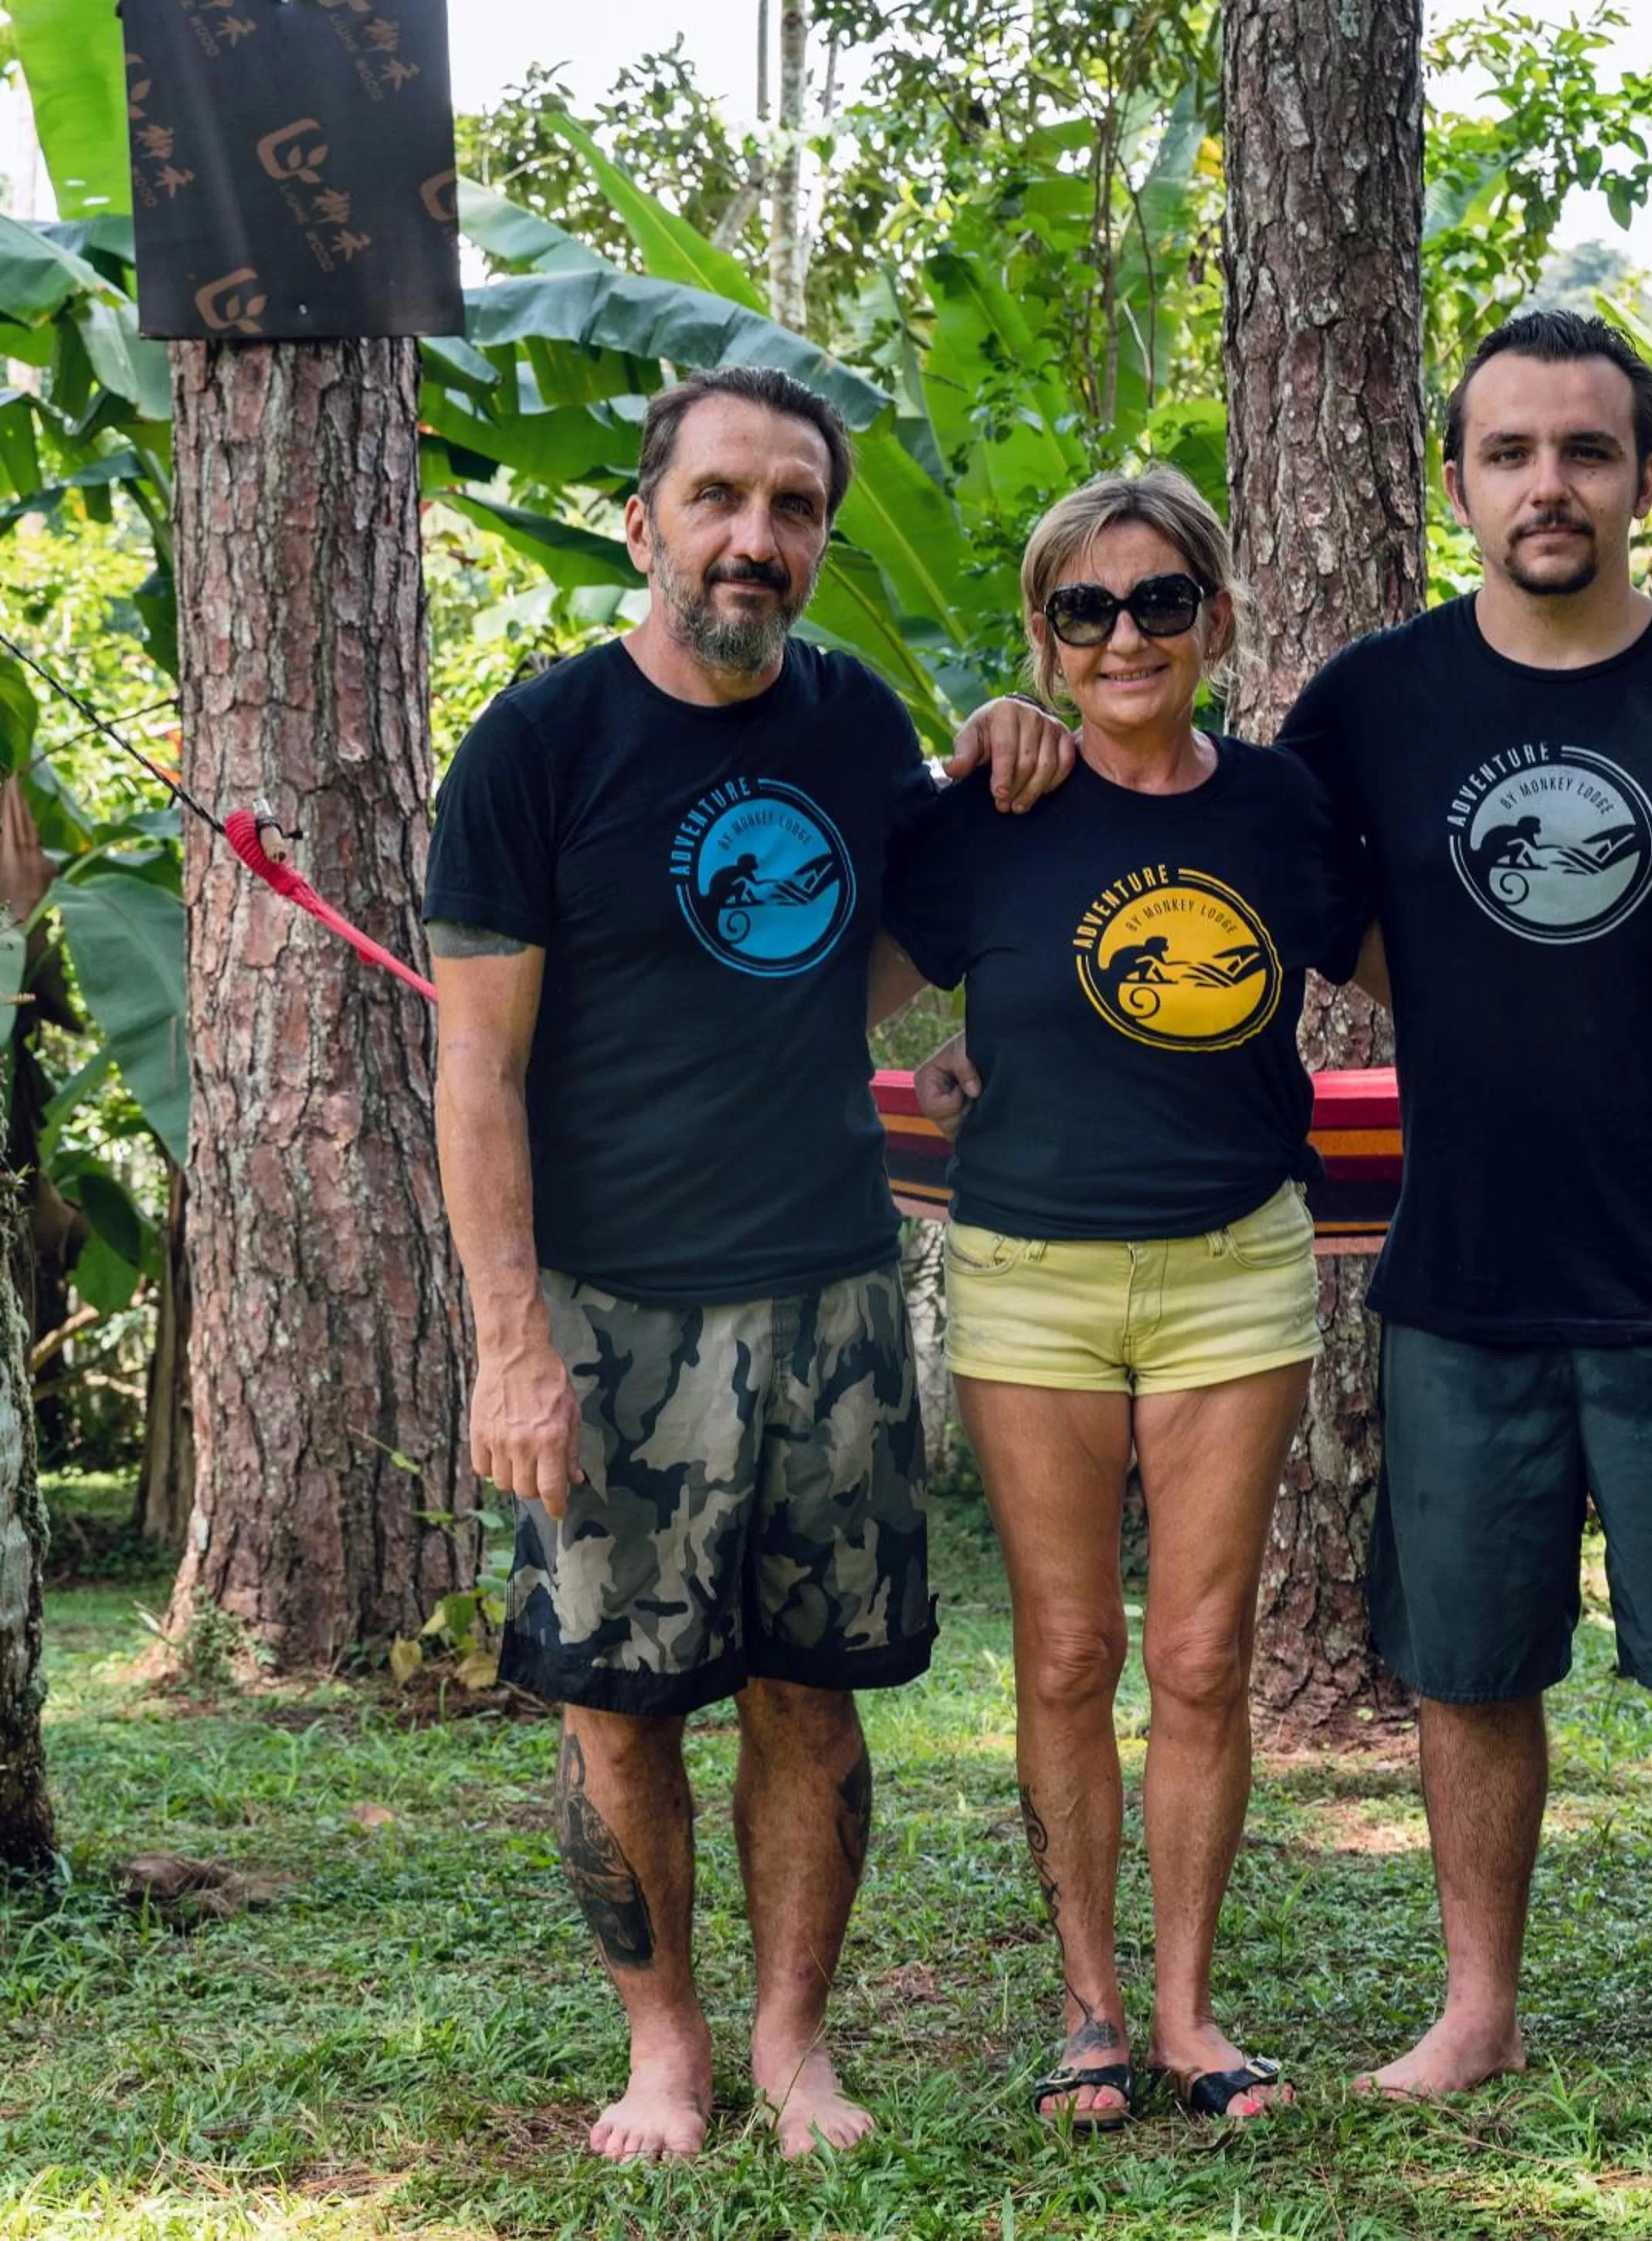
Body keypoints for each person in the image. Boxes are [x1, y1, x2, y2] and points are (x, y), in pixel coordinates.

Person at [951, 312, 1652, 2109]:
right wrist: (1017, 737)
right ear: (1461, 479)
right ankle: (1478, 2007)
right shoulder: (1373, 707)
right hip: (1461, 1276)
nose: (1547, 484)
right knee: (1471, 1667)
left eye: (1585, 450)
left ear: (1643, 472)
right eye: (1508, 452)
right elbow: (1196, 861)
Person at [425, 365, 1074, 2164]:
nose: (754, 537)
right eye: (717, 497)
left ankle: (794, 2044)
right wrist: (508, 1340)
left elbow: (879, 948)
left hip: (834, 1293)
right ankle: (666, 2052)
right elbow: (474, 1065)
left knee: (814, 1684)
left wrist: (1012, 735)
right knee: (618, 1705)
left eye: (792, 507)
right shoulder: (540, 746)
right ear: (644, 521)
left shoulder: (857, 721)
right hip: (610, 1310)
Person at [884, 467, 1363, 2127]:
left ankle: (1187, 2011)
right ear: (1046, 636)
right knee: (1073, 1649)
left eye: (1162, 599)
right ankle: (1086, 2004)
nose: (1126, 634)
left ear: (1215, 619)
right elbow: (850, 988)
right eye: (1086, 609)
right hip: (1028, 1274)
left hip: (1237, 1265)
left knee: (1210, 1654)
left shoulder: (1289, 810)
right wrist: (945, 1062)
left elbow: (1428, 971)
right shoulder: (988, 812)